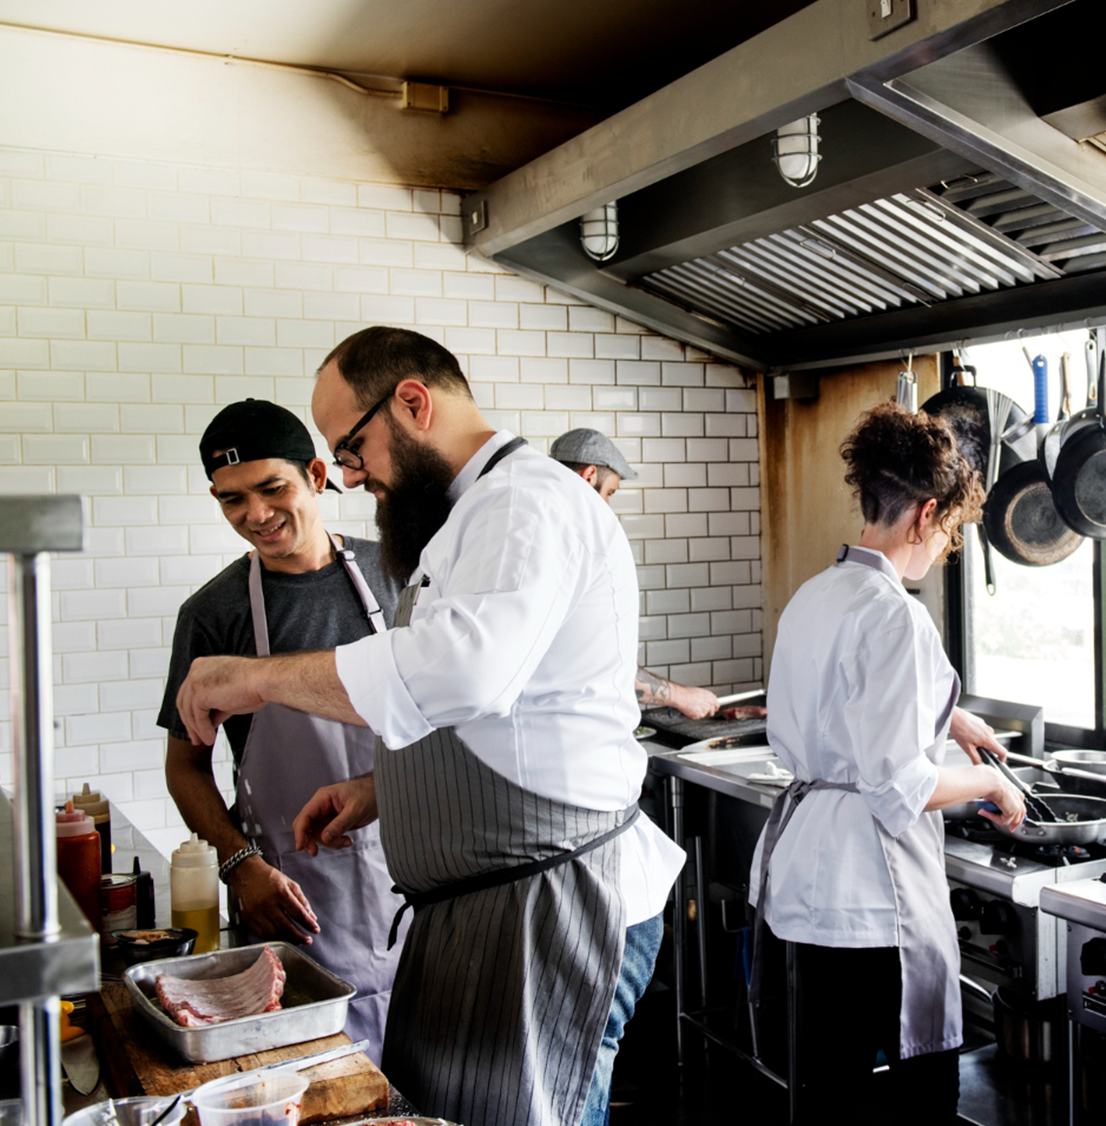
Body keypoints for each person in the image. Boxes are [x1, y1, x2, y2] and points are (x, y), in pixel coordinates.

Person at [173, 327, 685, 1126]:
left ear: (413, 403)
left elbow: (461, 671)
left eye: (352, 448)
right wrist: (383, 789)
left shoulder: (526, 502)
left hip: (549, 902)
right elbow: (498, 714)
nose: (347, 475)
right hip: (490, 909)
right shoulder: (470, 519)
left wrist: (252, 676)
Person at [748, 402, 1026, 1124]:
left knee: (826, 1094)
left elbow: (839, 710)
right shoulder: (898, 614)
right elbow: (902, 784)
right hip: (870, 905)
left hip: (802, 886)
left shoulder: (817, 594)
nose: (945, 546)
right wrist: (992, 779)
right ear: (925, 513)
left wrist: (945, 710)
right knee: (918, 1102)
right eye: (952, 531)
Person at [157, 398, 406, 1050]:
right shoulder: (214, 614)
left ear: (317, 476)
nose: (255, 516)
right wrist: (240, 866)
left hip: (421, 874)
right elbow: (185, 764)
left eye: (272, 489)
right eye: (231, 500)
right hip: (298, 892)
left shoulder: (398, 574)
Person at [551, 427, 763, 723]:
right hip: (571, 737)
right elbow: (596, 664)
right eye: (610, 492)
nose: (608, 507)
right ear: (588, 477)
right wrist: (682, 697)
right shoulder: (575, 547)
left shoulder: (547, 535)